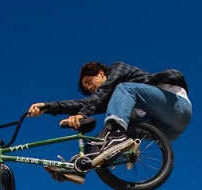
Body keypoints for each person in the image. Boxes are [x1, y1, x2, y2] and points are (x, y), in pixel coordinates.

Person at [28, 61, 192, 183]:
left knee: (125, 89)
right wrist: (48, 107)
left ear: (101, 74)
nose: (90, 88)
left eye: (89, 82)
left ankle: (118, 137)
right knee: (105, 136)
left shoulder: (118, 69)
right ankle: (79, 167)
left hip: (176, 106)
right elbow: (84, 103)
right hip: (166, 131)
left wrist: (82, 114)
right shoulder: (118, 101)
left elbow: (103, 91)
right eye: (87, 88)